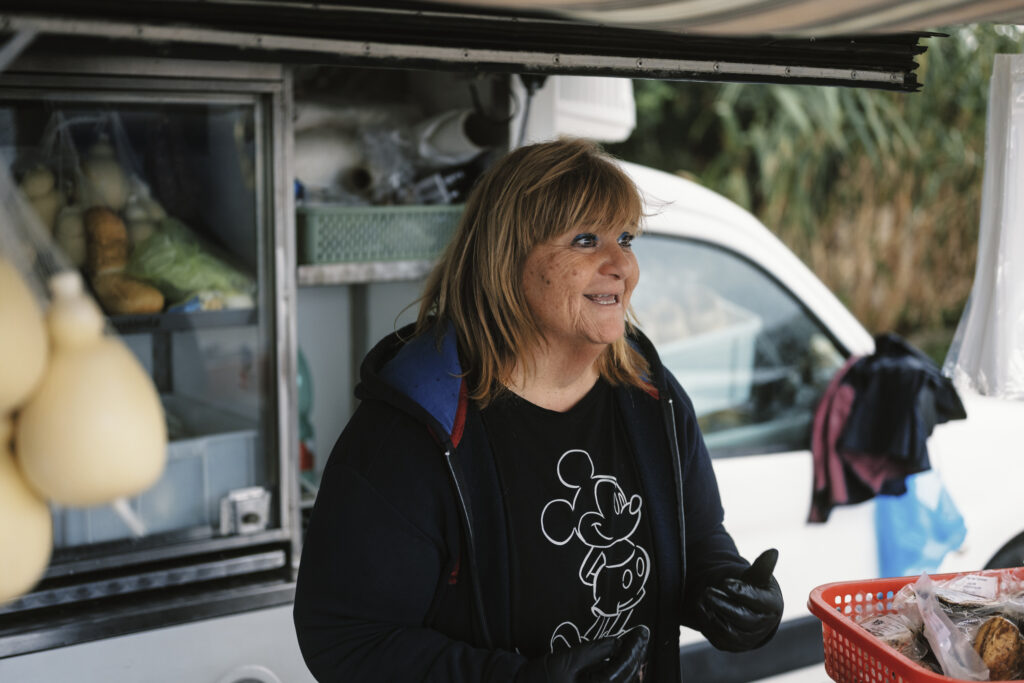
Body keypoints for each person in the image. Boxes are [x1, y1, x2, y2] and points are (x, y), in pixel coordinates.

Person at [293, 137, 783, 682]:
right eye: (585, 240)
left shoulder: (650, 394)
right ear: (508, 261)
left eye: (624, 238)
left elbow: (698, 539)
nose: (621, 263)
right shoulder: (414, 427)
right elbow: (345, 638)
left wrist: (726, 593)